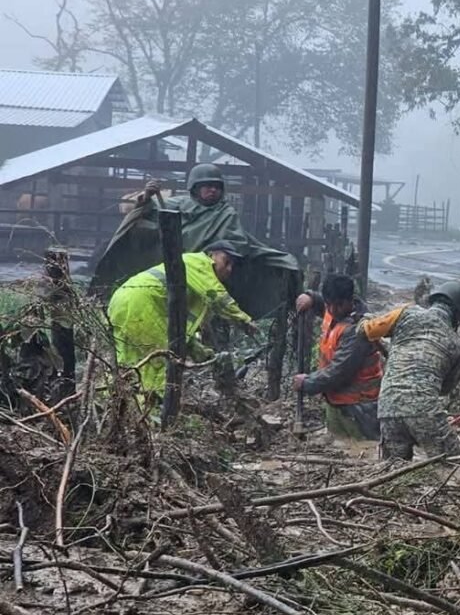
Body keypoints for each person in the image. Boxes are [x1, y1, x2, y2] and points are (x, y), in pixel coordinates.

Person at [92, 163, 301, 322]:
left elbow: (237, 241)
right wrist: (146, 196)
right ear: (195, 187)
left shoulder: (225, 212)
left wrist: (217, 251)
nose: (212, 191)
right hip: (171, 268)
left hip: (207, 273)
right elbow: (144, 212)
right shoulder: (178, 204)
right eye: (207, 187)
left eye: (216, 187)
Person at [108, 240, 256, 399]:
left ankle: (114, 403)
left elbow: (178, 327)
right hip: (139, 305)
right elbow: (218, 298)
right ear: (211, 255)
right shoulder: (200, 264)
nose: (228, 269)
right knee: (159, 361)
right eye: (226, 262)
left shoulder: (195, 282)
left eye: (231, 266)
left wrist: (201, 353)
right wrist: (244, 320)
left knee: (130, 361)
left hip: (123, 301)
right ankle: (153, 410)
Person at [359, 282, 460, 465]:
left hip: (387, 408)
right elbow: (444, 389)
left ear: (432, 301)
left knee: (391, 473)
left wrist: (365, 319)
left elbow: (366, 330)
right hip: (425, 412)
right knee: (453, 468)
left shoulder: (405, 313)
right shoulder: (457, 346)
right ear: (458, 316)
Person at [291, 274, 384, 441]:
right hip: (337, 401)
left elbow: (338, 372)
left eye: (339, 305)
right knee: (339, 445)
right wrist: (311, 297)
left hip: (360, 407)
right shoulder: (332, 307)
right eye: (329, 305)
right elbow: (323, 304)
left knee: (362, 450)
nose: (333, 310)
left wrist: (307, 382)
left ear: (350, 300)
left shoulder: (358, 330)